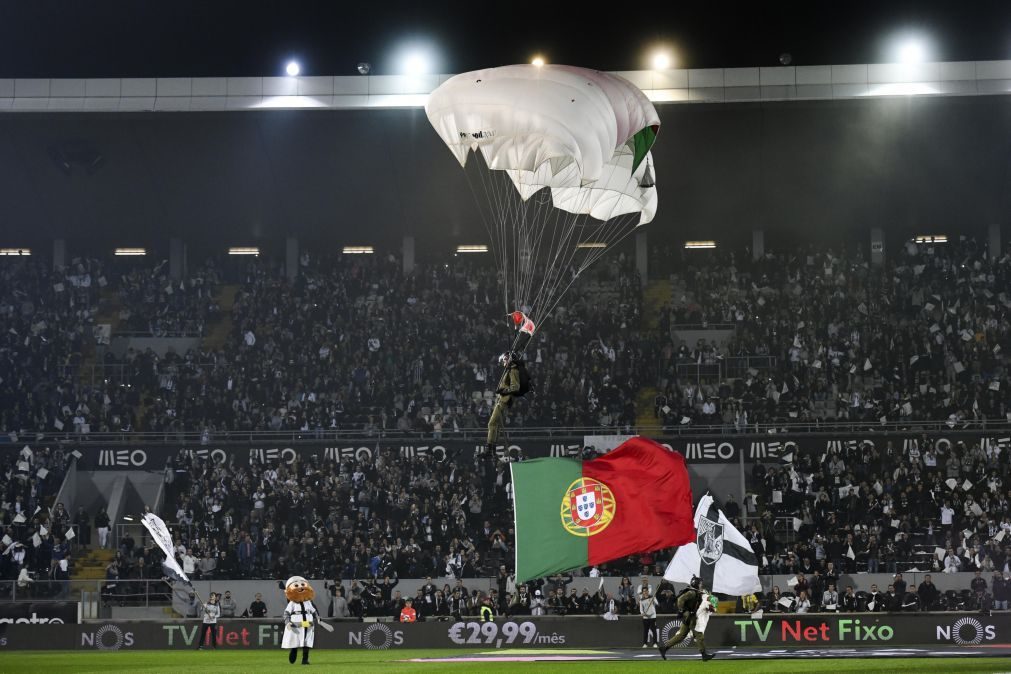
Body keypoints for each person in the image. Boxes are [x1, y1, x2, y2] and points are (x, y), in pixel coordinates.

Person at [659, 577, 716, 661]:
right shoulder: (692, 592)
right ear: (696, 584)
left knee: (681, 635)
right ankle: (704, 654)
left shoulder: (695, 592)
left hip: (689, 616)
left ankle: (664, 648)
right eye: (700, 583)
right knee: (699, 634)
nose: (701, 585)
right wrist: (682, 611)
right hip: (690, 616)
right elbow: (680, 599)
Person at [485, 351, 526, 454]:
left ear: (509, 359)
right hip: (503, 400)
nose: (503, 362)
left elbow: (515, 387)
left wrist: (503, 391)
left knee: (492, 423)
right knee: (496, 425)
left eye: (504, 360)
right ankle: (492, 448)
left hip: (504, 401)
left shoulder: (513, 370)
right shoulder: (509, 370)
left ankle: (489, 448)